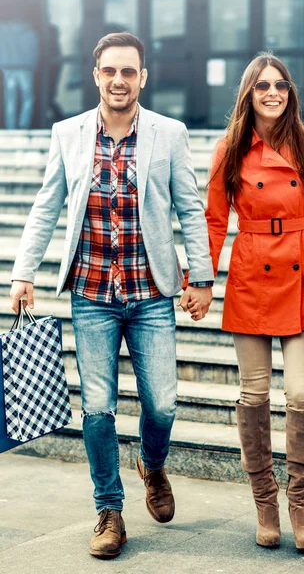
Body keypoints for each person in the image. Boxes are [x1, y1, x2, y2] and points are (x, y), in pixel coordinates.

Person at [10, 32, 213, 559]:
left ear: (143, 77)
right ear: (96, 75)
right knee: (97, 410)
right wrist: (22, 273)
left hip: (151, 294)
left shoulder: (169, 133)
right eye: (109, 71)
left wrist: (203, 278)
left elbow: (190, 209)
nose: (119, 80)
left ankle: (152, 462)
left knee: (162, 404)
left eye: (129, 71)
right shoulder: (68, 133)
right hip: (92, 294)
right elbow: (46, 204)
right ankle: (109, 510)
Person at [190, 53, 304, 551]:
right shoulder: (230, 149)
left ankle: (300, 505)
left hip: (299, 273)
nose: (272, 92)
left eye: (281, 85)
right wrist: (200, 279)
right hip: (251, 274)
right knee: (254, 395)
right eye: (263, 85)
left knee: (303, 396)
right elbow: (215, 221)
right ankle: (265, 505)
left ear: (290, 92)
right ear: (248, 92)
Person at [0, 20, 39, 129]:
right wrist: (33, 67)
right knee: (28, 98)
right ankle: (24, 123)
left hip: (8, 68)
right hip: (25, 68)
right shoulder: (29, 33)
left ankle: (10, 126)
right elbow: (33, 52)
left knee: (10, 99)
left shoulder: (3, 32)